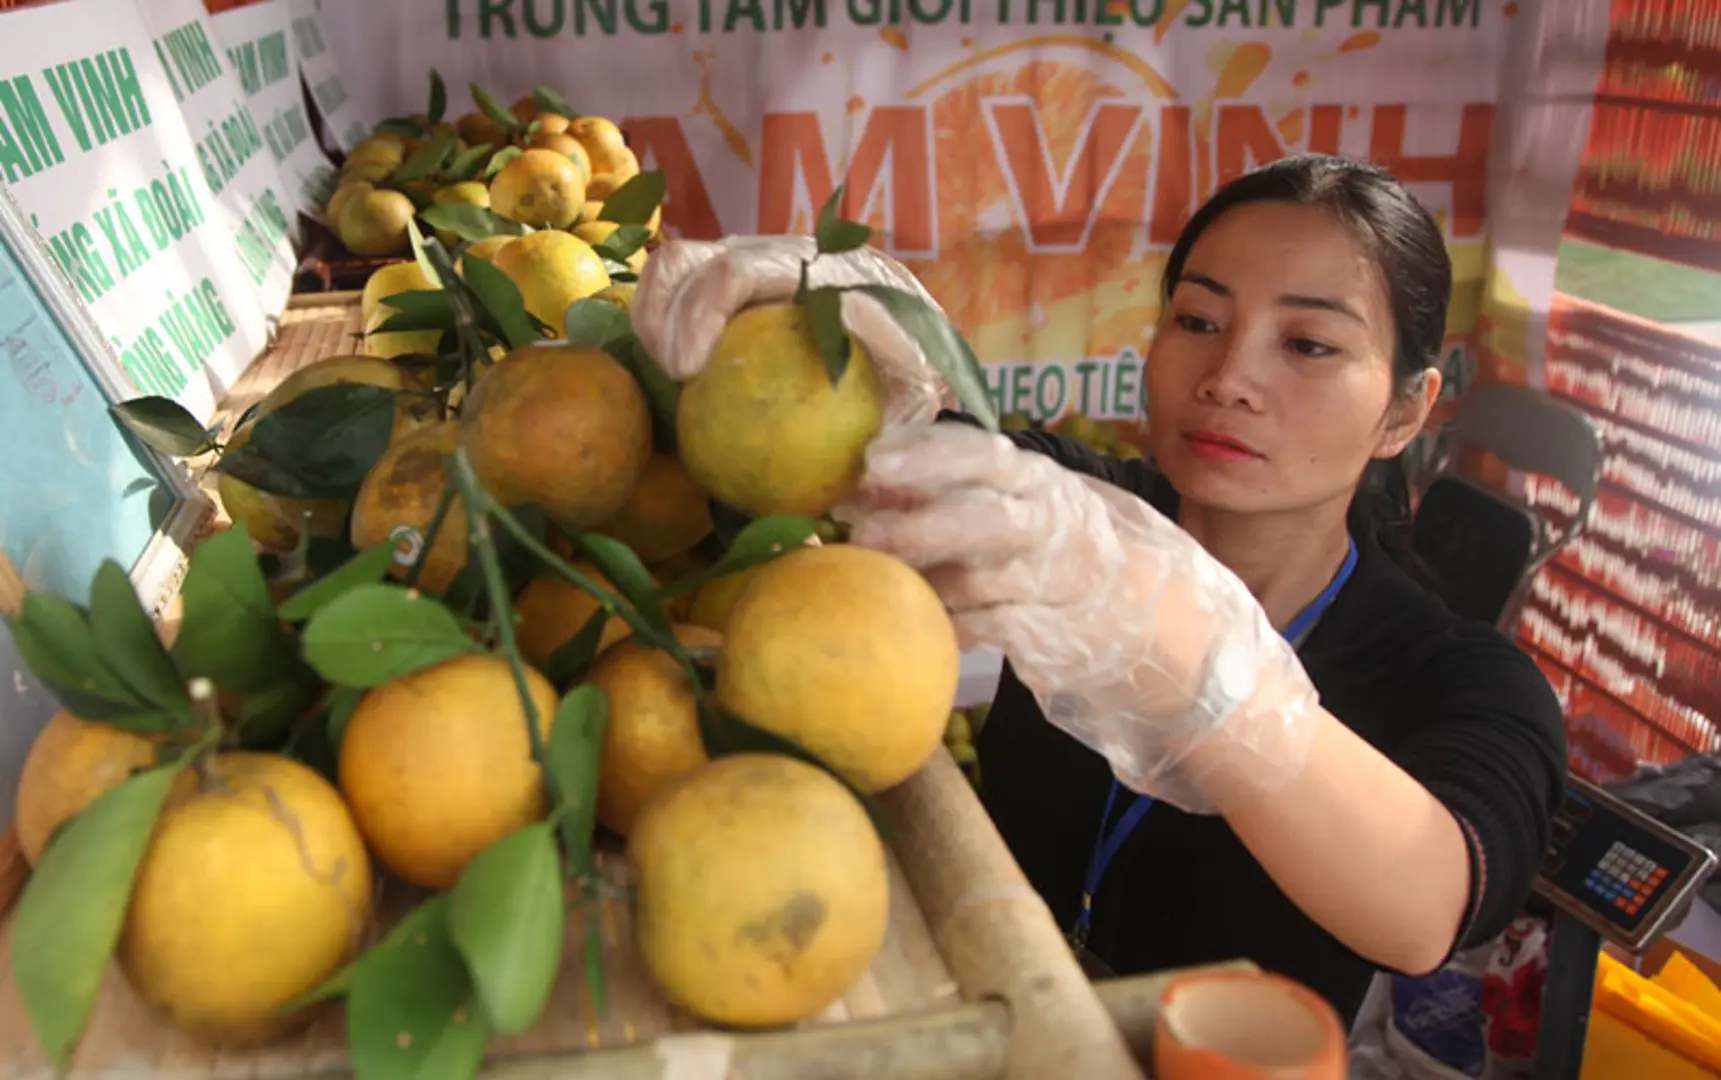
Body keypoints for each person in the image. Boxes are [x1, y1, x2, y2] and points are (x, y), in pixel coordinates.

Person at [631, 154, 1568, 1029]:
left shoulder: (1462, 678)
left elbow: (1423, 905)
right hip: (990, 1022)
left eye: (1309, 344)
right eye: (1198, 321)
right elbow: (890, 450)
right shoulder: (1072, 515)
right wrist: (850, 362)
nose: (1230, 377)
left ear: (1405, 409)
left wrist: (1190, 658)